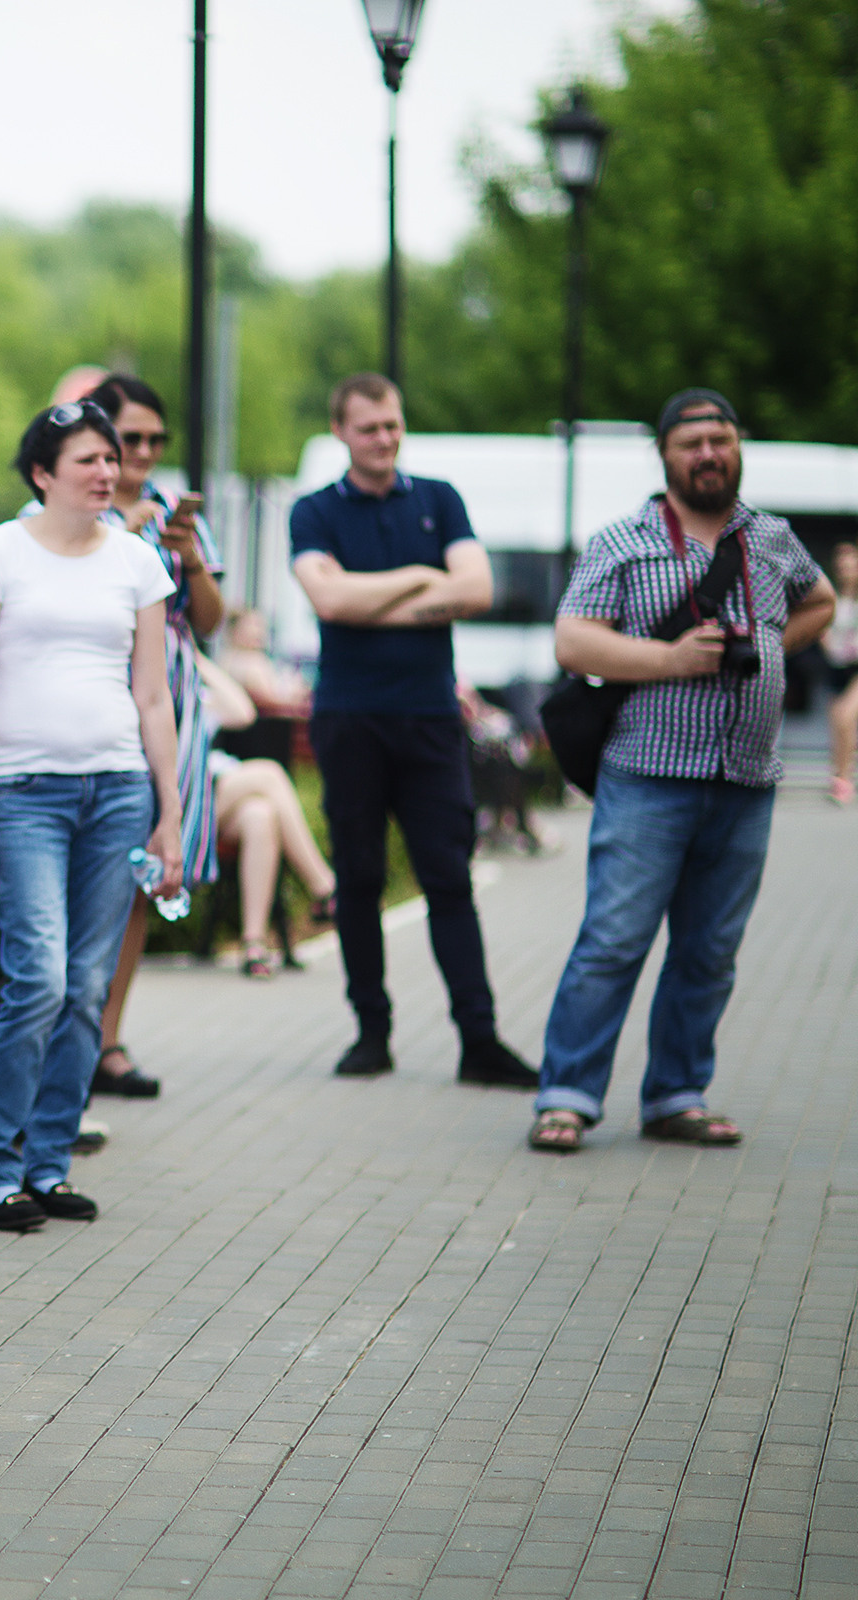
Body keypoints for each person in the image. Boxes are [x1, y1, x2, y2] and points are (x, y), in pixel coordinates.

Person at [527, 389, 832, 1153]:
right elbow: (573, 641)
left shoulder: (770, 538)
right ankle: (566, 1095)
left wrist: (769, 646)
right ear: (665, 454)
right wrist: (668, 660)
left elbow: (820, 601)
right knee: (614, 940)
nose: (708, 454)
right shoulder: (623, 539)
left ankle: (675, 1095)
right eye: (692, 442)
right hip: (648, 776)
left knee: (709, 952)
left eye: (721, 440)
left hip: (746, 779)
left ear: (738, 449)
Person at [0, 401, 181, 1231]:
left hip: (118, 792)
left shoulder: (138, 563)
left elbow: (152, 696)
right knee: (40, 979)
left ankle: (47, 1166)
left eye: (112, 457)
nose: (107, 471)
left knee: (87, 989)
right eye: (87, 459)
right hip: (24, 796)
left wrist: (172, 812)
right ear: (43, 473)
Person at [288, 374, 537, 1088]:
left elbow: (478, 589)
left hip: (430, 720)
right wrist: (423, 578)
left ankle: (479, 1040)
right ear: (341, 430)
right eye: (369, 428)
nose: (384, 439)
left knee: (448, 878)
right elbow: (328, 599)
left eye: (393, 425)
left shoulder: (438, 498)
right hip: (349, 719)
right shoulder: (313, 511)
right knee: (360, 878)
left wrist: (369, 597)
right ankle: (372, 1033)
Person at [83, 375, 224, 1101]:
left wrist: (188, 553)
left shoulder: (173, 512)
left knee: (140, 878)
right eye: (127, 438)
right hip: (93, 701)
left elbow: (210, 618)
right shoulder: (74, 506)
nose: (140, 453)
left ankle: (108, 1037)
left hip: (168, 700)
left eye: (152, 441)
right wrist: (128, 531)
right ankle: (70, 1038)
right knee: (85, 879)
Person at [196, 655, 336, 977]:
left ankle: (254, 944)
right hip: (188, 803)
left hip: (218, 800)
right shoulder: (158, 694)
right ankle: (324, 887)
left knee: (261, 816)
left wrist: (199, 661)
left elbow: (242, 713)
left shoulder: (198, 696)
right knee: (270, 773)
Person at [820, 542, 858, 805]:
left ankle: (843, 779)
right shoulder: (833, 598)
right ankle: (839, 776)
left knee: (846, 718)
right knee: (839, 726)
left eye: (850, 564)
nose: (845, 570)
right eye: (841, 565)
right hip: (837, 666)